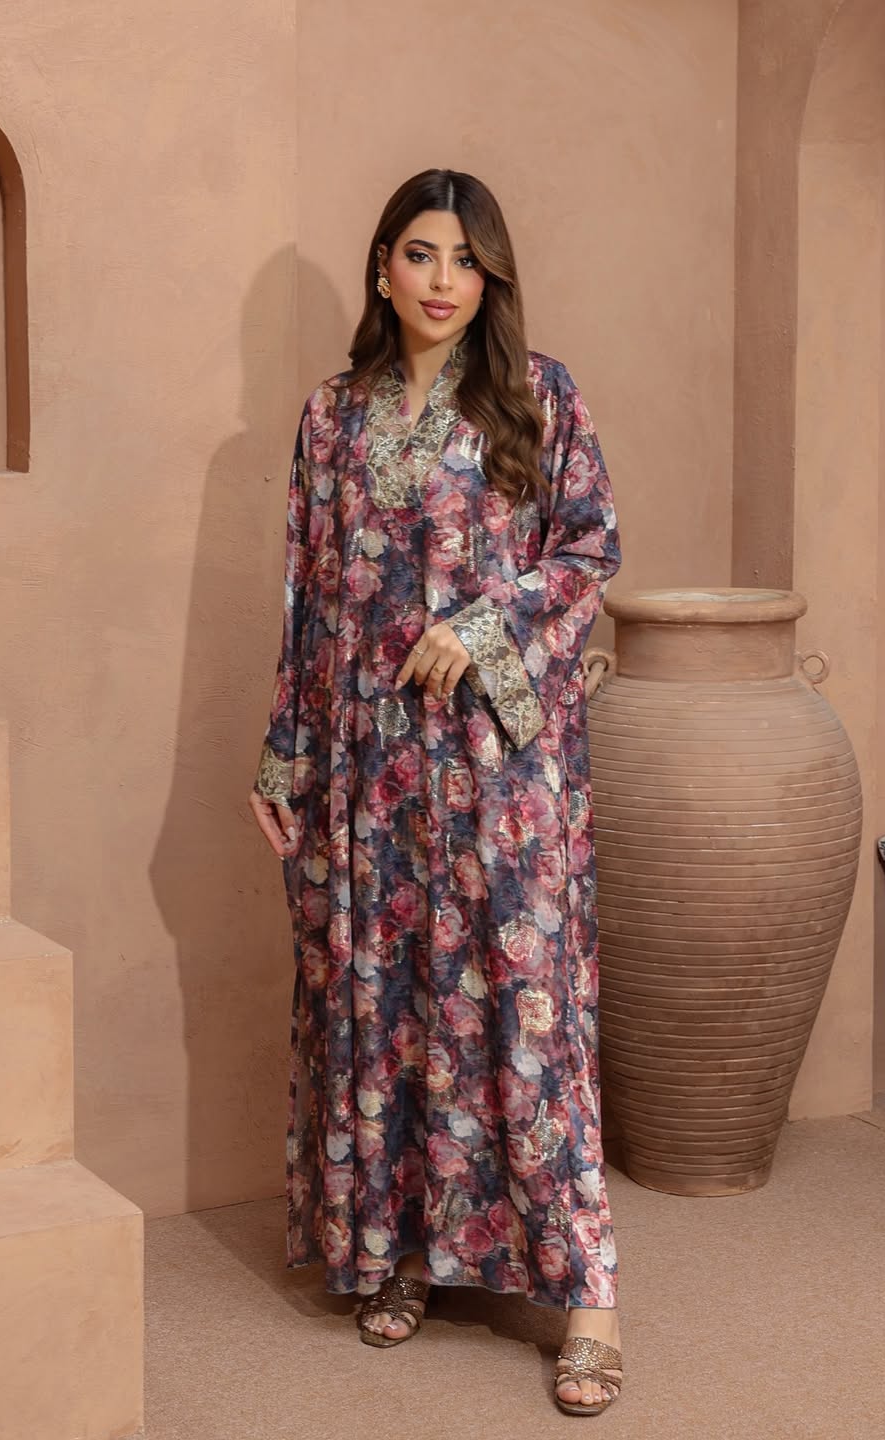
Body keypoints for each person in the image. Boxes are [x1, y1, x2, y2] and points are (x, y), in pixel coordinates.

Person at [248, 168, 623, 1416]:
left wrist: (484, 623)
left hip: (499, 768)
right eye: (421, 254)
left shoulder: (537, 394)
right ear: (383, 266)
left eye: (466, 260)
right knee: (389, 1003)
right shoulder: (331, 417)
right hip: (368, 768)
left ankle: (591, 1300)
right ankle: (407, 1251)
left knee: (524, 1010)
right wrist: (287, 756)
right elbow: (307, 597)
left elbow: (590, 551)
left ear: (491, 276)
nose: (444, 280)